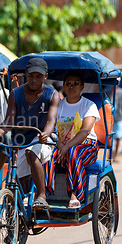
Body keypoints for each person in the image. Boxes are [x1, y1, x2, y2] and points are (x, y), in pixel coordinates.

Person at [0, 58, 60, 209]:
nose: (34, 80)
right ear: (26, 75)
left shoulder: (52, 94)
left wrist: (45, 134)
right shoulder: (15, 94)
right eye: (31, 76)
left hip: (44, 139)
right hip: (21, 140)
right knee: (18, 172)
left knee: (31, 153)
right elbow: (8, 122)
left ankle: (41, 196)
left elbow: (51, 121)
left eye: (39, 76)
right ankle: (23, 206)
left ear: (45, 76)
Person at [44, 72, 100, 208]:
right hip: (61, 145)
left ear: (82, 87)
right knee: (46, 155)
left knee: (73, 152)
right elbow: (51, 129)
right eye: (68, 83)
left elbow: (85, 131)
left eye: (75, 83)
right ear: (63, 86)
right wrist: (60, 146)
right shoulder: (58, 105)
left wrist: (66, 147)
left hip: (86, 146)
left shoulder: (89, 105)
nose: (71, 86)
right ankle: (44, 193)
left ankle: (76, 194)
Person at [111, 85, 122, 162]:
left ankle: (115, 156)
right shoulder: (107, 92)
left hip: (120, 118)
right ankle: (110, 155)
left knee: (118, 137)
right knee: (110, 138)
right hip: (110, 119)